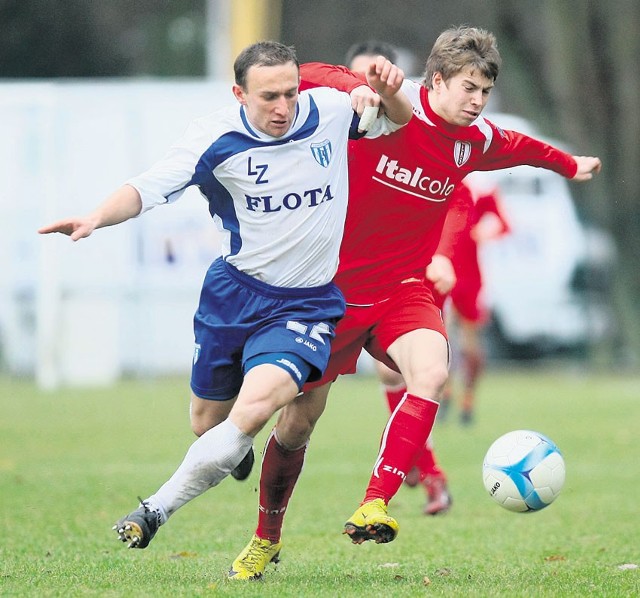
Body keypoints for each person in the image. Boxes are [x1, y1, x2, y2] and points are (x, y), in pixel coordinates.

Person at [228, 26, 602, 581]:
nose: (477, 102)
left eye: (485, 93)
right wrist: (307, 87)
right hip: (332, 296)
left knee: (430, 371)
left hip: (404, 290)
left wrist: (570, 165)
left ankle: (375, 501)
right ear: (439, 80)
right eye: (469, 89)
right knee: (297, 426)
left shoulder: (475, 141)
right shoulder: (381, 109)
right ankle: (266, 537)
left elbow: (526, 150)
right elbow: (303, 75)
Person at [38, 41, 411, 551]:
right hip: (233, 295)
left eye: (290, 93)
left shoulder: (328, 111)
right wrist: (94, 218)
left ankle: (154, 510)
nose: (283, 107)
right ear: (239, 93)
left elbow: (398, 120)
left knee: (257, 409)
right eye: (268, 97)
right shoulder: (214, 137)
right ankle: (231, 448)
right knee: (206, 423)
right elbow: (147, 188)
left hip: (306, 304)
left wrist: (387, 96)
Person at [347, 39, 454, 516]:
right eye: (355, 80)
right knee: (299, 408)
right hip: (345, 280)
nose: (364, 90)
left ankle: (426, 475)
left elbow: (459, 196)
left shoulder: (426, 132)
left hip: (411, 277)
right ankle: (419, 468)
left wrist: (444, 254)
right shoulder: (334, 131)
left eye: (373, 79)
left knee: (409, 374)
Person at [440, 185, 510, 425]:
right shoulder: (446, 182)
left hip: (470, 279)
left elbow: (504, 225)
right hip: (443, 272)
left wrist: (487, 232)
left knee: (470, 345)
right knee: (442, 340)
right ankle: (445, 393)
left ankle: (467, 401)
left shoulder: (483, 190)